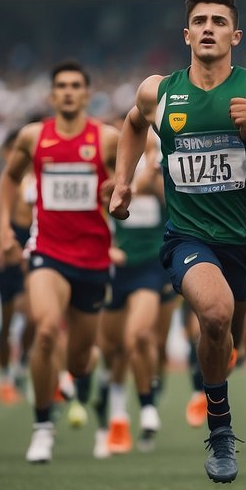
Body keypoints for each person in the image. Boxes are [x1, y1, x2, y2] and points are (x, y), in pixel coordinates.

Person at [110, 0, 246, 484]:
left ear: (234, 34)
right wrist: (122, 181)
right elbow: (132, 126)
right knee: (213, 315)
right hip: (187, 236)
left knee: (227, 337)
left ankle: (215, 378)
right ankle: (220, 428)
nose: (209, 29)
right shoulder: (158, 90)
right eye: (201, 21)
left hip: (242, 240)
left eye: (219, 21)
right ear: (187, 34)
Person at [0, 62, 118, 464]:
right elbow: (9, 178)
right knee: (46, 329)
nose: (68, 92)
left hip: (94, 258)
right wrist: (1, 228)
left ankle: (73, 380)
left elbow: (132, 181)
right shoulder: (34, 137)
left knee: (81, 361)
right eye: (61, 86)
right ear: (52, 95)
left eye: (75, 86)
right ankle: (43, 428)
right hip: (47, 251)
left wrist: (120, 191)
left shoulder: (107, 139)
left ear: (87, 94)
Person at [96, 128, 171, 456]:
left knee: (139, 337)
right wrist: (106, 246)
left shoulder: (163, 176)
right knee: (113, 351)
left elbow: (176, 208)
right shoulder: (109, 181)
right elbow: (93, 218)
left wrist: (155, 182)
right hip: (116, 270)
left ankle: (147, 406)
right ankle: (114, 409)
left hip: (150, 268)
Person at [0, 128, 35, 405]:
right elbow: (1, 218)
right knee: (6, 320)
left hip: (33, 245)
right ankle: (5, 373)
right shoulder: (8, 182)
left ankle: (22, 364)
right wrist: (0, 243)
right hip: (10, 249)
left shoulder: (35, 177)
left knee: (31, 314)